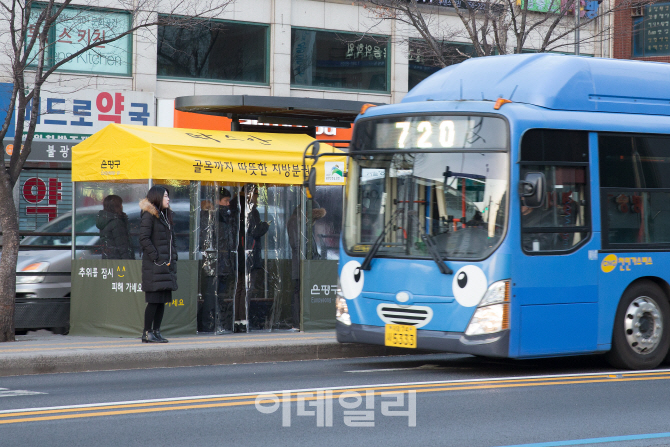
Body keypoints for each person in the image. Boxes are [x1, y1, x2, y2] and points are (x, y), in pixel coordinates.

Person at [139, 186, 177, 343]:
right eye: (166, 196)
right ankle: (147, 332)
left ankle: (156, 331)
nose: (168, 199)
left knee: (162, 300)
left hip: (165, 266)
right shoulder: (149, 215)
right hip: (156, 266)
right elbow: (143, 238)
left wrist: (171, 257)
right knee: (154, 301)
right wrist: (156, 258)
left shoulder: (164, 215)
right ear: (157, 197)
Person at [233, 184, 270, 332]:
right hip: (249, 253)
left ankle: (238, 321)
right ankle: (244, 320)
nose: (257, 197)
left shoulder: (236, 207)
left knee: (240, 287)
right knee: (246, 288)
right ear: (249, 194)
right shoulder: (251, 210)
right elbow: (254, 231)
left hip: (239, 253)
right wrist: (265, 226)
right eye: (256, 193)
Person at [287, 202, 326, 331]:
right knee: (298, 292)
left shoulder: (303, 222)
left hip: (305, 262)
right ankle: (297, 322)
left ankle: (301, 321)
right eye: (313, 217)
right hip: (301, 263)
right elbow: (297, 244)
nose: (313, 221)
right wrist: (306, 260)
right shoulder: (296, 221)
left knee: (301, 291)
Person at [96, 195, 134, 260]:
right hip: (118, 261)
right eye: (120, 204)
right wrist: (128, 263)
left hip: (108, 258)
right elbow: (122, 246)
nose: (122, 206)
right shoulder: (117, 223)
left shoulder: (105, 220)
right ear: (116, 206)